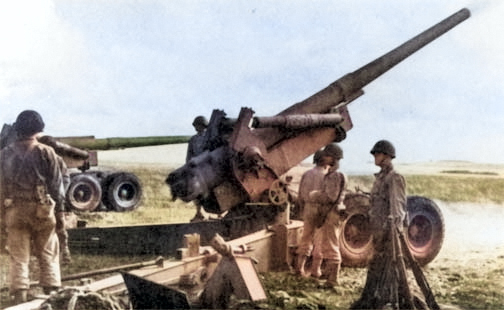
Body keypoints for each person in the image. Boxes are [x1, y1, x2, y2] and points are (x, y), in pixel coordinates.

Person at [0, 110, 66, 304]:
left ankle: (19, 297)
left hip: (15, 211)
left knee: (18, 255)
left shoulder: (4, 154)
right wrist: (60, 215)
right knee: (48, 251)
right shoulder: (47, 152)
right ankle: (52, 295)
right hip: (43, 210)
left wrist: (2, 216)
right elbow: (57, 188)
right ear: (38, 129)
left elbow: (0, 189)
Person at [350, 140, 411, 309]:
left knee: (389, 271)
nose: (375, 158)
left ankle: (390, 302)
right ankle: (373, 301)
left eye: (377, 154)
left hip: (389, 234)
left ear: (386, 156)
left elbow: (398, 209)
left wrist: (392, 234)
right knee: (376, 269)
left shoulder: (394, 177)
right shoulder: (381, 178)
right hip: (378, 233)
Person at [309, 143, 347, 288]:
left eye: (327, 155)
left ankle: (333, 279)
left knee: (331, 245)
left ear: (334, 158)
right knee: (329, 244)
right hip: (331, 213)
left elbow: (330, 197)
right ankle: (330, 275)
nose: (324, 157)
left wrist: (315, 195)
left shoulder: (335, 175)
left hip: (331, 213)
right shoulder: (334, 174)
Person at [294, 149, 328, 277]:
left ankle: (300, 267)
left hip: (308, 208)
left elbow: (300, 196)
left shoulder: (307, 174)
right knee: (319, 240)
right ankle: (315, 270)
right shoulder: (326, 176)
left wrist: (303, 208)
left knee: (306, 238)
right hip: (320, 209)